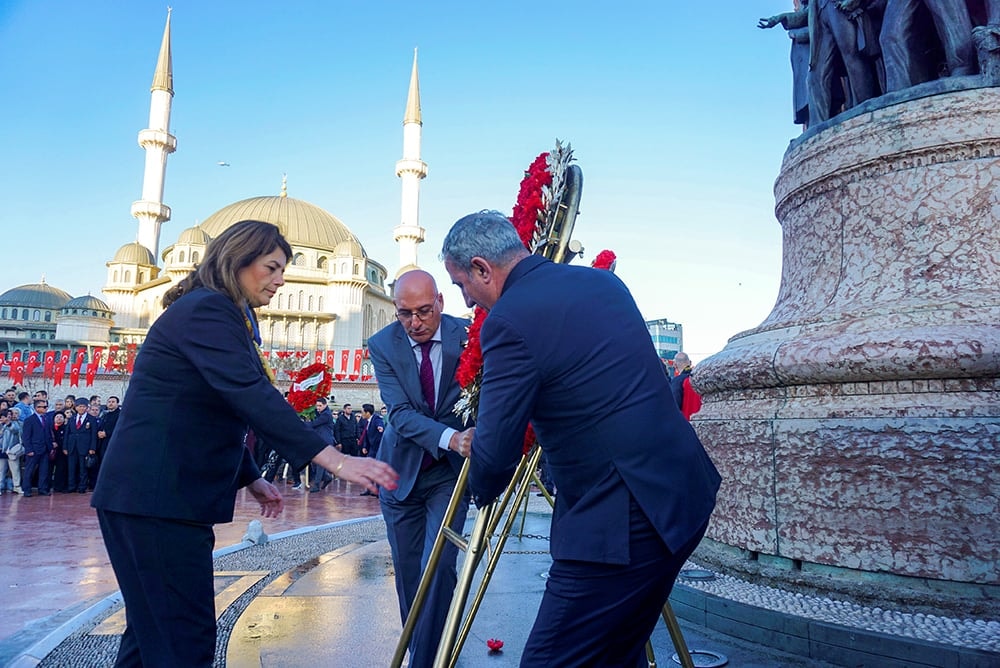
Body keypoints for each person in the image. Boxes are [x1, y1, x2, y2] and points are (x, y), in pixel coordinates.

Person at [91, 220, 398, 668]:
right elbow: (249, 393)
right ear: (237, 260)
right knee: (183, 641)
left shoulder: (218, 313)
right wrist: (333, 458)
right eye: (271, 267)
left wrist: (251, 476)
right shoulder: (208, 310)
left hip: (155, 500)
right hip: (157, 502)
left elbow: (210, 408)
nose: (280, 280)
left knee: (151, 639)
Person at [442, 211, 721, 667]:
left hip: (619, 523)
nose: (468, 302)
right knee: (615, 651)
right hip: (681, 495)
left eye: (461, 286)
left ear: (481, 268)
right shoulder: (602, 284)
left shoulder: (508, 321)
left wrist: (479, 487)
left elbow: (495, 453)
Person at [368, 269, 471, 667]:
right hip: (399, 475)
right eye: (404, 314)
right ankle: (425, 651)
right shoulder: (383, 345)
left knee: (440, 565)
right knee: (411, 577)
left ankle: (426, 661)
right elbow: (401, 414)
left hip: (448, 474)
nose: (415, 323)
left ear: (441, 303)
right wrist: (453, 437)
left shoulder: (469, 336)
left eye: (424, 311)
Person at [20, 398, 52, 497]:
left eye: (46, 406)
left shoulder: (46, 419)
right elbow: (26, 436)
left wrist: (50, 447)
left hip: (45, 449)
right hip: (33, 449)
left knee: (44, 471)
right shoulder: (29, 420)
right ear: (37, 407)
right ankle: (27, 489)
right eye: (44, 407)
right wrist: (29, 449)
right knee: (29, 470)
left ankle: (42, 489)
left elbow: (48, 434)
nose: (46, 409)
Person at [670, 352, 703, 420]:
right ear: (690, 363)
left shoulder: (677, 381)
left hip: (686, 422)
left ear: (675, 365)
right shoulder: (699, 378)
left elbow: (674, 406)